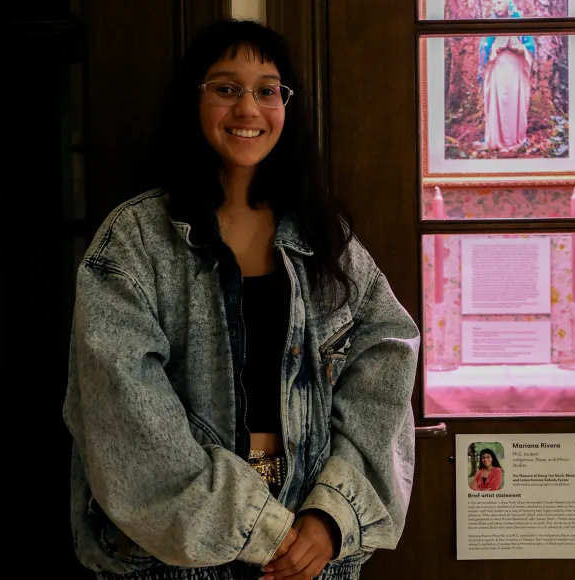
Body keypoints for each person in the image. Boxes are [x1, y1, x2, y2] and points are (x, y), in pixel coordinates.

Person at [62, 19, 420, 580]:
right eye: (226, 88)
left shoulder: (325, 237)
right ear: (195, 100)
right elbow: (123, 411)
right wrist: (258, 528)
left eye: (267, 89)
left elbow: (386, 362)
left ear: (287, 104)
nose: (248, 108)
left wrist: (331, 518)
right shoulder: (134, 240)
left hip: (309, 542)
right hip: (172, 555)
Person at [478, 0, 536, 153]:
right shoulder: (490, 25)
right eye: (495, 3)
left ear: (508, 4)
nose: (497, 6)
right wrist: (496, 48)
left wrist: (519, 48)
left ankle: (514, 138)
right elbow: (484, 49)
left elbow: (529, 47)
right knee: (499, 101)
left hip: (515, 69)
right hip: (498, 68)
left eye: (500, 2)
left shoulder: (519, 24)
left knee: (514, 102)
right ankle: (497, 139)